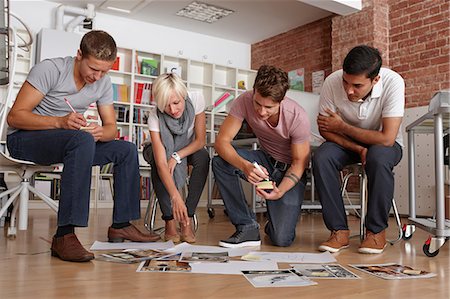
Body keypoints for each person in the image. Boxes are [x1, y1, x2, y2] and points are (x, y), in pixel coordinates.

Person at [6, 30, 159, 263]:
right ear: (79, 55)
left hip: (69, 142)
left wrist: (101, 132)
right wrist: (59, 121)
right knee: (81, 140)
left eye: (104, 71)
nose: (97, 77)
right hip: (25, 139)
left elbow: (110, 128)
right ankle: (64, 235)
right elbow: (15, 117)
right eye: (93, 69)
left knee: (125, 150)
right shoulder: (50, 70)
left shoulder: (103, 82)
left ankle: (121, 225)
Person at [313, 45, 405, 254]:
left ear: (375, 80)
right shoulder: (332, 82)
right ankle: (339, 230)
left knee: (378, 157)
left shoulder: (394, 82)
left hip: (384, 146)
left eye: (357, 85)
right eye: (346, 82)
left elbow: (387, 138)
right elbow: (326, 130)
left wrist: (343, 126)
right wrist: (357, 147)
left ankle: (375, 232)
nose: (349, 90)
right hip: (346, 143)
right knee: (322, 157)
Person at [212, 65, 311, 248]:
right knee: (220, 162)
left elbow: (299, 163)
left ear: (281, 101)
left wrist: (280, 191)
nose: (261, 111)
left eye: (269, 107)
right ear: (254, 90)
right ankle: (247, 226)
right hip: (264, 162)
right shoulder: (244, 101)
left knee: (281, 240)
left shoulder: (297, 117)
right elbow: (221, 142)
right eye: (258, 103)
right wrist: (245, 166)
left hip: (288, 171)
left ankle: (272, 224)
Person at [143, 73, 209, 244]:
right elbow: (161, 162)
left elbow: (200, 141)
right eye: (166, 105)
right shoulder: (154, 116)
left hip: (187, 147)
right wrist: (176, 197)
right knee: (159, 163)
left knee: (203, 157)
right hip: (157, 148)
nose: (172, 110)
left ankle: (187, 218)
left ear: (184, 95)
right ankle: (169, 221)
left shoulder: (196, 100)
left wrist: (177, 156)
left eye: (176, 103)